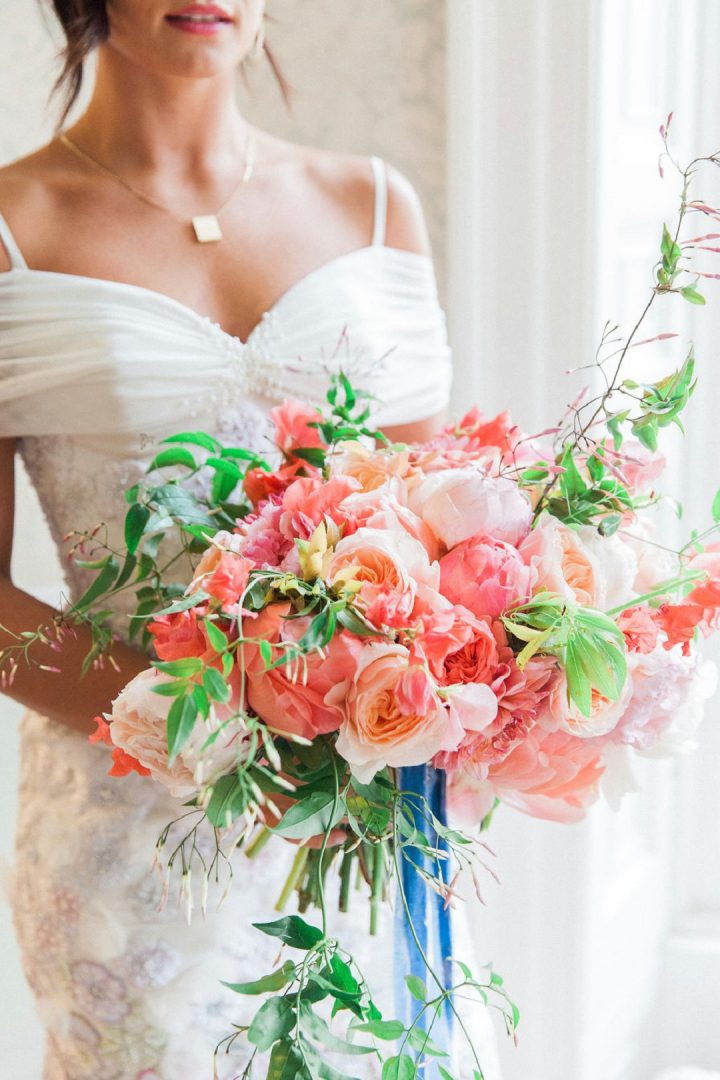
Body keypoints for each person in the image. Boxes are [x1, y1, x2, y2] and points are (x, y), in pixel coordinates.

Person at [0, 2, 502, 1076]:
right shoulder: (14, 224)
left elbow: (440, 536)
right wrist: (216, 741)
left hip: (358, 817)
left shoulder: (370, 206)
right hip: (133, 840)